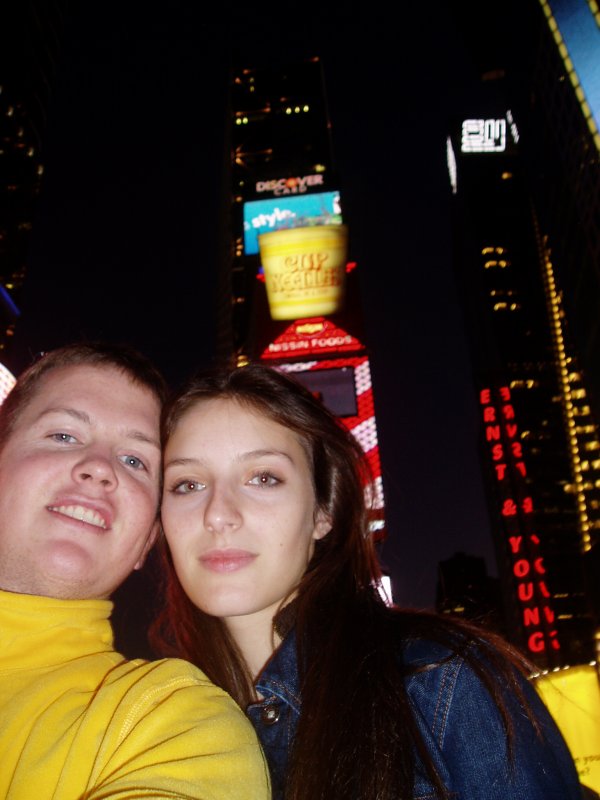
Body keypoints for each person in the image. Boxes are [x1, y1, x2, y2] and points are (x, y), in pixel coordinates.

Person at [151, 361, 584, 800]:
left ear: (324, 511)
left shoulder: (439, 683)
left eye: (264, 478)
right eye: (187, 484)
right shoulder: (164, 734)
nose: (218, 514)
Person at [0, 343, 270, 800]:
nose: (100, 469)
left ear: (146, 541)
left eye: (134, 461)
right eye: (63, 435)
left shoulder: (169, 723)